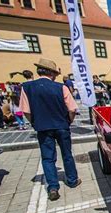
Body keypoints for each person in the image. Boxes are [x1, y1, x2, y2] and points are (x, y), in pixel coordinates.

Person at [19, 58, 81, 201]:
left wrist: (34, 122)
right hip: (61, 125)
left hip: (43, 126)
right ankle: (72, 180)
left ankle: (53, 187)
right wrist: (69, 121)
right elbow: (72, 108)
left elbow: (26, 111)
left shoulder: (27, 87)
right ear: (52, 73)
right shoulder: (61, 87)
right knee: (67, 154)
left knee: (48, 158)